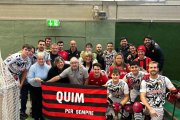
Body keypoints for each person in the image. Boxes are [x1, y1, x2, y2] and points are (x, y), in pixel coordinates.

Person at [27, 52, 50, 120]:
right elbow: (29, 79)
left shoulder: (48, 67)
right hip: (34, 87)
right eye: (39, 59)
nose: (41, 60)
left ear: (44, 59)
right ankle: (36, 117)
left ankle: (42, 117)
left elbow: (50, 78)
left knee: (43, 103)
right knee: (35, 103)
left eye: (42, 59)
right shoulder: (33, 67)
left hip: (44, 88)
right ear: (37, 59)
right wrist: (35, 79)